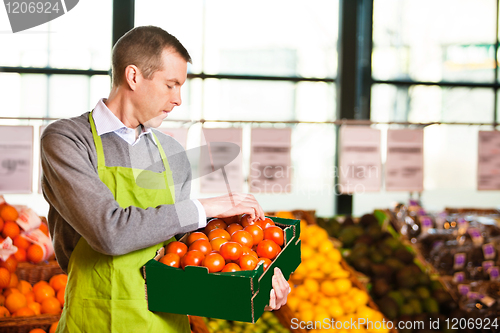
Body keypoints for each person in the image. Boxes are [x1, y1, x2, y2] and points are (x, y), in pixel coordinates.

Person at [41, 26, 290, 333]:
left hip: (166, 323)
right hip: (95, 316)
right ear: (133, 76)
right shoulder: (68, 139)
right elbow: (109, 232)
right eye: (171, 85)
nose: (178, 100)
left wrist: (249, 286)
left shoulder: (171, 151)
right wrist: (205, 207)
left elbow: (184, 251)